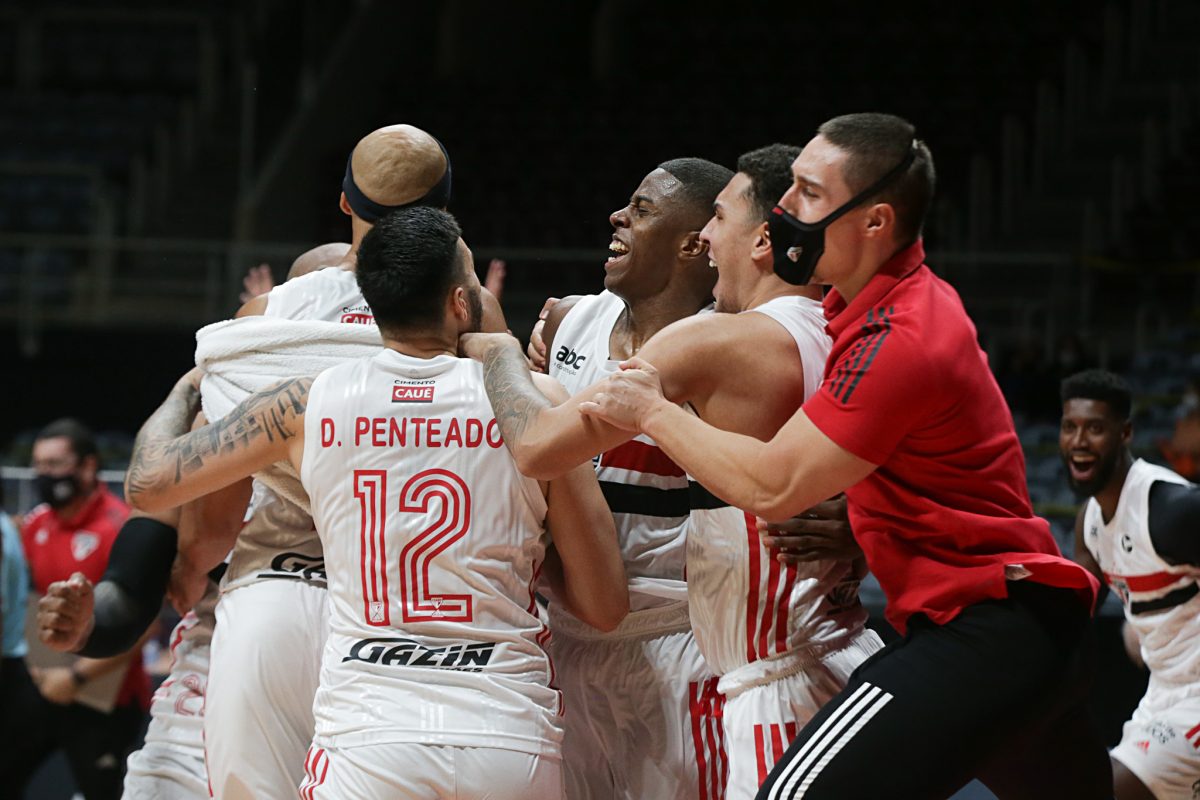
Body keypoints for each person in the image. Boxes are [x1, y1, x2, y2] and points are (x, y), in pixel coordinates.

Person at [576, 113, 1111, 799]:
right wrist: (861, 517)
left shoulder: (901, 333)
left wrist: (651, 409)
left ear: (875, 221)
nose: (785, 209)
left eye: (807, 193)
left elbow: (774, 487)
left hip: (985, 626)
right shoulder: (860, 309)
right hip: (1018, 619)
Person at [123, 206, 628, 798]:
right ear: (461, 304)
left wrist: (189, 385)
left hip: (370, 732)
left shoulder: (305, 405)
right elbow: (604, 606)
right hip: (506, 728)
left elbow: (148, 480)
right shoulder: (537, 406)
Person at [464, 144, 880, 798]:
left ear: (753, 239)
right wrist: (870, 516)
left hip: (699, 649)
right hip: (595, 633)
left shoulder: (717, 341)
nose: (711, 236)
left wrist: (494, 347)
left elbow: (538, 445)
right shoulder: (845, 331)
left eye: (719, 217)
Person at [183, 124, 465, 799]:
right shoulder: (469, 321)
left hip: (276, 595)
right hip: (409, 618)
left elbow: (213, 521)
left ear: (345, 204)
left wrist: (186, 569)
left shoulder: (266, 313)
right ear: (444, 214)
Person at [498, 157, 732, 798]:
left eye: (642, 209)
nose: (617, 216)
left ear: (693, 244)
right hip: (566, 633)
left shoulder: (729, 346)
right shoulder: (569, 321)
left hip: (679, 642)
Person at [1061, 369, 1200, 800]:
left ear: (1125, 433)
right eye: (1070, 427)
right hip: (1161, 695)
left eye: (1094, 428)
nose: (1079, 441)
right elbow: (1069, 620)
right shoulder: (1089, 523)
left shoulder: (1170, 509)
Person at [6, 419, 150, 800]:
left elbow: (146, 624)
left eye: (54, 464)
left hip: (104, 697)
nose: (44, 474)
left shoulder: (122, 527)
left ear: (87, 467)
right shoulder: (35, 524)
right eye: (39, 465)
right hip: (44, 685)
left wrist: (75, 679)